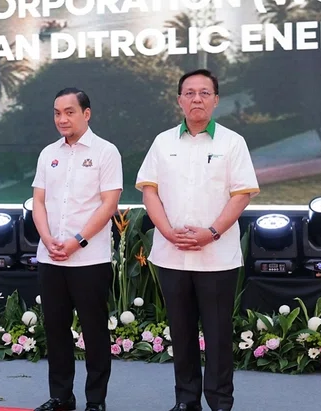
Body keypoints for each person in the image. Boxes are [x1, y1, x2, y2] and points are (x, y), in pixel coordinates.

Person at [136, 69, 259, 411]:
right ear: (179, 100)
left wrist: (212, 232)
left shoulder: (232, 143)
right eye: (189, 93)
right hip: (171, 254)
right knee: (181, 332)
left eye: (204, 93)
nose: (197, 99)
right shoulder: (163, 142)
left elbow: (241, 194)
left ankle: (220, 403)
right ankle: (186, 401)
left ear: (216, 100)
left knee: (218, 335)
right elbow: (149, 191)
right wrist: (166, 230)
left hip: (216, 256)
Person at [32, 88, 122, 411]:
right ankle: (61, 396)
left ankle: (95, 400)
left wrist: (77, 241)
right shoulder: (48, 154)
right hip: (51, 258)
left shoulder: (106, 152)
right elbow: (38, 201)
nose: (62, 119)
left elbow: (109, 204)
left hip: (89, 259)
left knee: (94, 332)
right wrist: (46, 238)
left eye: (69, 112)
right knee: (55, 330)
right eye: (57, 113)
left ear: (86, 114)